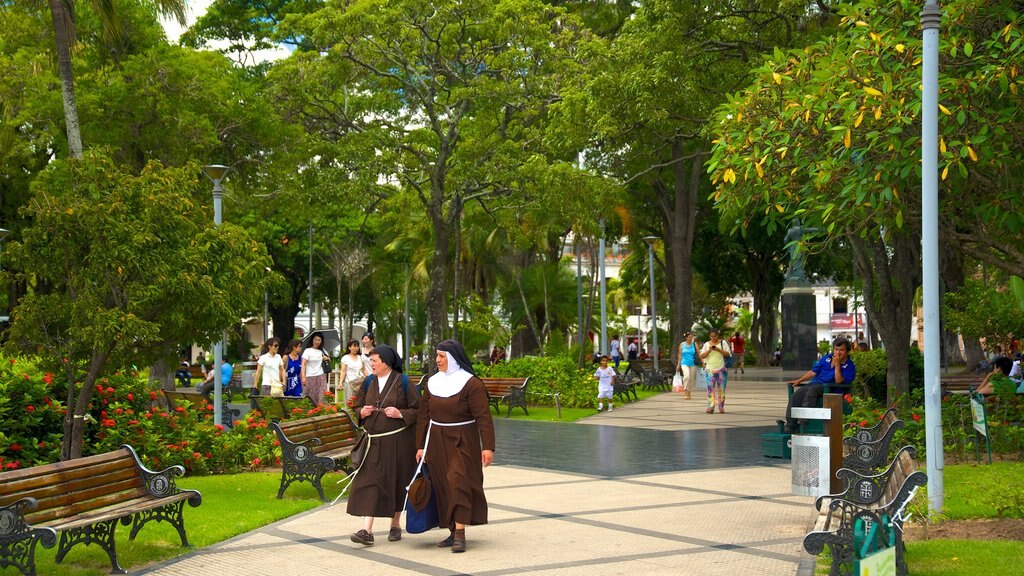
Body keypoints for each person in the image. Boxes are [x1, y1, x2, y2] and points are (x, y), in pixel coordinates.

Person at [416, 339, 495, 553]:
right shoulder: (432, 383)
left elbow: (484, 418)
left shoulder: (471, 384)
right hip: (436, 440)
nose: (438, 360)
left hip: (462, 439)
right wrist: (420, 445)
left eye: (441, 356)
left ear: (452, 358)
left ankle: (460, 533)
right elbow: (424, 417)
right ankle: (452, 530)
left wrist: (488, 447)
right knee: (443, 484)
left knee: (459, 481)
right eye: (437, 356)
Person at [348, 345, 421, 546]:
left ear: (386, 363)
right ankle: (366, 530)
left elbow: (420, 410)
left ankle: (395, 524)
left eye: (374, 361)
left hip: (399, 442)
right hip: (373, 442)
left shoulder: (404, 382)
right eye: (370, 361)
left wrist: (401, 414)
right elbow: (356, 405)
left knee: (396, 481)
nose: (371, 364)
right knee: (369, 481)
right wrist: (362, 412)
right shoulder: (369, 381)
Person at [782, 337, 856, 433]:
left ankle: (804, 420)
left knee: (813, 390)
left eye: (841, 350)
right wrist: (799, 380)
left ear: (847, 352)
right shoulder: (827, 358)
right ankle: (791, 425)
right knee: (797, 395)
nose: (838, 352)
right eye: (836, 349)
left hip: (830, 388)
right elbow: (813, 372)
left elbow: (838, 381)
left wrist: (837, 364)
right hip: (815, 384)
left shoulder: (849, 365)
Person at [699, 330, 731, 414]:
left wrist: (718, 349)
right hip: (710, 370)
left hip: (721, 369)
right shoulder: (706, 344)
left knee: (722, 389)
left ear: (718, 335)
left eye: (715, 336)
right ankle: (711, 407)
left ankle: (721, 406)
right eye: (711, 336)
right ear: (709, 336)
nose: (713, 338)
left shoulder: (723, 343)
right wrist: (709, 350)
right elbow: (702, 355)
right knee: (710, 389)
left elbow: (728, 354)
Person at [301, 333, 331, 405]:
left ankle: (322, 411)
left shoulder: (322, 351)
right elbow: (303, 364)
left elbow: (329, 361)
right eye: (315, 340)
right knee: (310, 396)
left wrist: (326, 358)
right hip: (310, 376)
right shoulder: (307, 351)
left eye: (319, 340)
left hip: (320, 375)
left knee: (321, 396)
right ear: (312, 340)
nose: (317, 342)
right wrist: (303, 377)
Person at [340, 339, 370, 404]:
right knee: (349, 402)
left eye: (357, 346)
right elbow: (343, 371)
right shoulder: (345, 358)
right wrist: (340, 382)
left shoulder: (361, 357)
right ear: (349, 347)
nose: (356, 348)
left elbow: (364, 369)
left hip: (360, 382)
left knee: (360, 401)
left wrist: (369, 378)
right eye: (354, 346)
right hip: (349, 383)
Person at [675, 332, 700, 400]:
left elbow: (699, 353)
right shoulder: (682, 345)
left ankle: (689, 392)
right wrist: (678, 365)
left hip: (693, 363)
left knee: (691, 379)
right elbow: (680, 355)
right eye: (689, 337)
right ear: (686, 338)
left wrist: (703, 362)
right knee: (687, 376)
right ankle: (686, 391)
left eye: (692, 337)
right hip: (684, 363)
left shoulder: (694, 344)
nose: (691, 338)